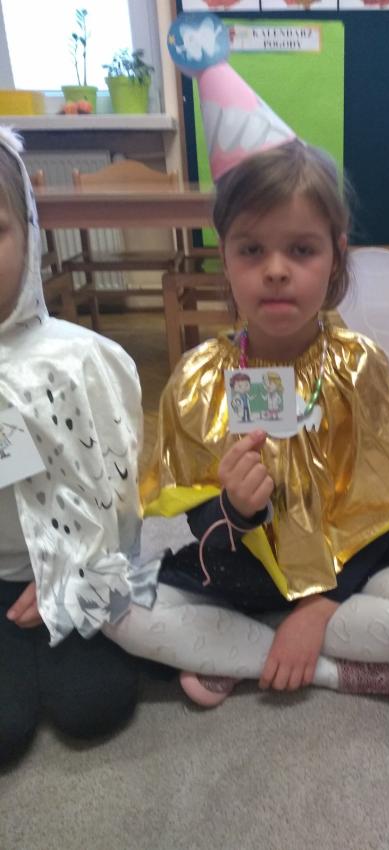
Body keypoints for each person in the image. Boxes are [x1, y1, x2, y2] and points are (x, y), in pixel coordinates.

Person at [103, 12, 389, 706]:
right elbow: (188, 521)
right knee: (115, 604)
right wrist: (235, 510)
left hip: (345, 574)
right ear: (226, 259)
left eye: (301, 250)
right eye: (252, 250)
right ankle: (332, 668)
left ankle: (252, 650)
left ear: (334, 257)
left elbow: (384, 510)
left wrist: (321, 605)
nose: (275, 270)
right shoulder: (198, 379)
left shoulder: (359, 367)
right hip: (233, 579)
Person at [0, 127, 151, 765]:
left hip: (69, 566)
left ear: (29, 234)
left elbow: (115, 493)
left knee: (95, 704)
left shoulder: (81, 360)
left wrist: (68, 570)